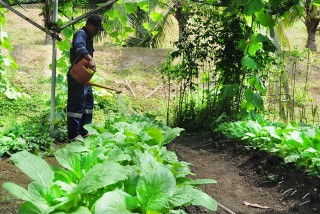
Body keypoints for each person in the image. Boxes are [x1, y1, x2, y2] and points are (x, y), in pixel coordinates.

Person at [67, 14, 105, 141]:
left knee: (88, 103)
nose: (96, 32)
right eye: (96, 29)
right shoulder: (81, 34)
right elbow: (79, 46)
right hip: (77, 75)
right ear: (89, 25)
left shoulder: (89, 37)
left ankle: (83, 130)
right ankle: (73, 134)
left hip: (84, 76)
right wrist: (90, 59)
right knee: (76, 103)